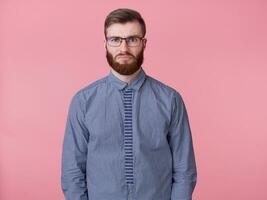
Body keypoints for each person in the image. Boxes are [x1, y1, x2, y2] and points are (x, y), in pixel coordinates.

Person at [61, 8, 197, 200]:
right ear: (105, 44)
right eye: (115, 39)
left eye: (132, 39)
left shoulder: (170, 100)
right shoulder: (83, 101)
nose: (123, 48)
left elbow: (185, 170)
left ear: (144, 43)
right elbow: (72, 172)